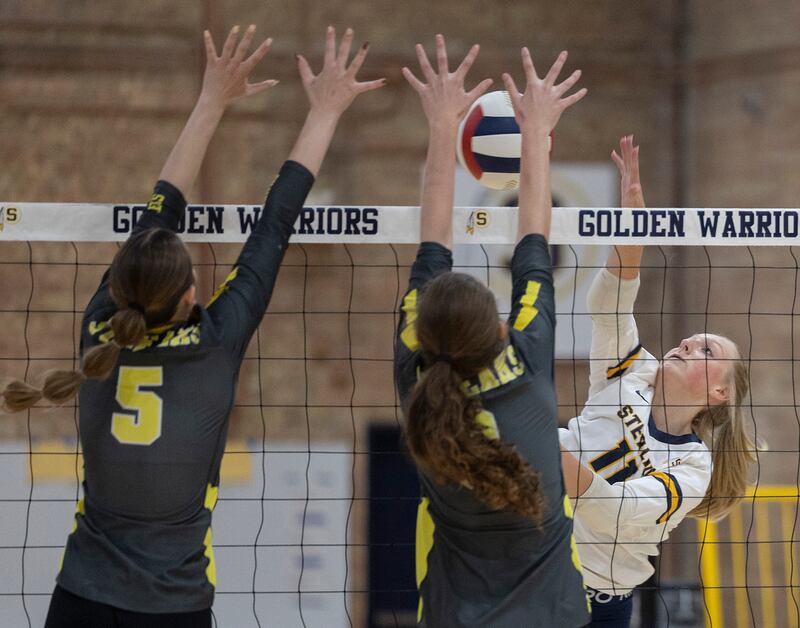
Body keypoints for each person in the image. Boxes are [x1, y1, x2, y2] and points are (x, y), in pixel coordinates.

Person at [2, 24, 384, 628]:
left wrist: (210, 100)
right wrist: (325, 110)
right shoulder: (214, 340)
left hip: (80, 601)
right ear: (189, 294)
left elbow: (163, 209)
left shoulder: (101, 323)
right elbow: (274, 224)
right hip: (172, 609)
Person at [395, 35, 589, 627]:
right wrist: (536, 132)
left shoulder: (418, 378)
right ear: (500, 329)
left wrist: (441, 128)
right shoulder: (513, 360)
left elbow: (434, 241)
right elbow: (531, 231)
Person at [559, 135, 756, 627]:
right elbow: (611, 304)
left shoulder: (693, 468)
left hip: (595, 599)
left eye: (706, 350)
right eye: (689, 340)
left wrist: (539, 435)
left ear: (719, 393)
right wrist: (633, 222)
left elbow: (612, 511)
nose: (688, 344)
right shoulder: (630, 370)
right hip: (534, 561)